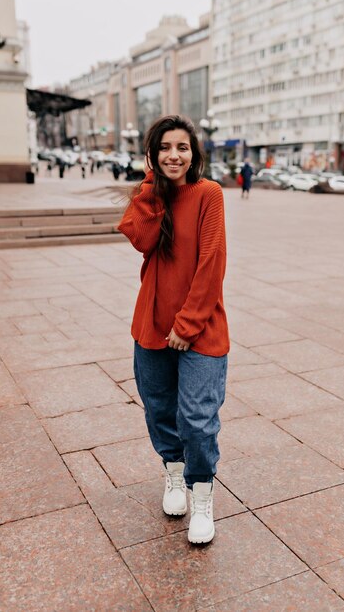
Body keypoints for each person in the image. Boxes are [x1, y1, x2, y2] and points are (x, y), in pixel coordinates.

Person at [118, 115, 229, 544]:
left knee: (198, 419)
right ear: (153, 154)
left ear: (194, 153)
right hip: (151, 324)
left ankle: (202, 492)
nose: (173, 155)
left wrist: (188, 324)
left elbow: (212, 262)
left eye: (182, 147)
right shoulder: (151, 197)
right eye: (164, 148)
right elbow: (140, 238)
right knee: (159, 408)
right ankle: (174, 475)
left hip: (199, 327)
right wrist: (152, 185)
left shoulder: (208, 194)